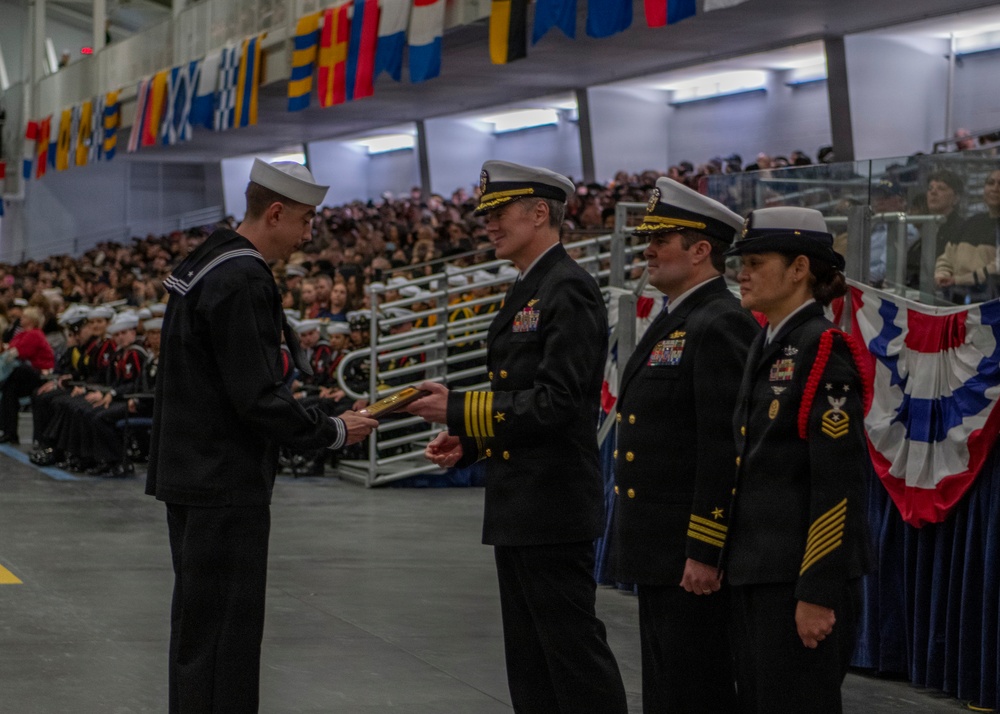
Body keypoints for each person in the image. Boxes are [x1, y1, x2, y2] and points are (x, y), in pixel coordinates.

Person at [145, 159, 378, 714]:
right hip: (226, 480)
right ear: (276, 212)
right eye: (305, 221)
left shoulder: (205, 259)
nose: (307, 235)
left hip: (191, 474)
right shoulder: (244, 276)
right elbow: (256, 397)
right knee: (227, 634)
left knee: (199, 631)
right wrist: (332, 431)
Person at [405, 160, 628, 714]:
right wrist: (472, 440)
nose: (489, 224)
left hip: (552, 504)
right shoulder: (529, 288)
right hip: (523, 502)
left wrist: (460, 409)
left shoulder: (567, 288)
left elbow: (557, 403)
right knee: (532, 664)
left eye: (499, 212)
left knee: (572, 660)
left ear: (538, 213)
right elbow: (521, 396)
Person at [609, 178, 759, 712]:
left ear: (700, 251)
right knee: (668, 686)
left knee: (696, 689)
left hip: (686, 552)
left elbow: (724, 447)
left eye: (662, 238)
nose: (647, 248)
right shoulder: (679, 316)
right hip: (659, 549)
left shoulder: (719, 322)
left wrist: (704, 548)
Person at [723, 207, 875, 713]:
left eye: (756, 261)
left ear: (799, 269)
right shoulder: (772, 341)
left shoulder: (822, 348)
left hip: (795, 578)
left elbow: (838, 485)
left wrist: (817, 591)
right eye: (741, 262)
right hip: (757, 571)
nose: (742, 273)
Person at [934, 167, 1000, 304]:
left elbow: (997, 268)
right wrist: (942, 275)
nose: (995, 188)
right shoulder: (971, 222)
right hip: (956, 300)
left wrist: (958, 280)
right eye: (990, 182)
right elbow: (946, 257)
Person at [0, 306, 56, 443]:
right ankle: (9, 431)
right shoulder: (23, 334)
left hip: (39, 373)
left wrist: (8, 351)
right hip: (27, 375)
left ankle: (9, 431)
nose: (21, 319)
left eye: (24, 317)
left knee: (15, 374)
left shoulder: (35, 334)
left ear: (31, 320)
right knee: (9, 391)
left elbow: (20, 352)